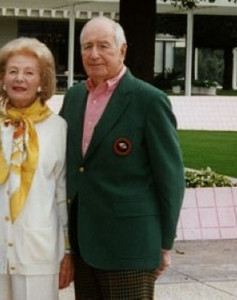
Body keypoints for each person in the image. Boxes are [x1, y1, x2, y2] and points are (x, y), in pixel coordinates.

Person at [59, 16, 185, 299]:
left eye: (103, 46)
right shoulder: (74, 97)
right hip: (84, 245)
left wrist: (164, 244)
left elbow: (171, 178)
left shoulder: (148, 100)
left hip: (131, 245)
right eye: (87, 46)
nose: (94, 54)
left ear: (123, 50)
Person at [0, 37, 74, 300]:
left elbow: (62, 194)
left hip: (40, 251)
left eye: (29, 72)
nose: (19, 79)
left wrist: (68, 251)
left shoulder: (59, 128)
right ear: (2, 78)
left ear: (42, 81)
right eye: (12, 71)